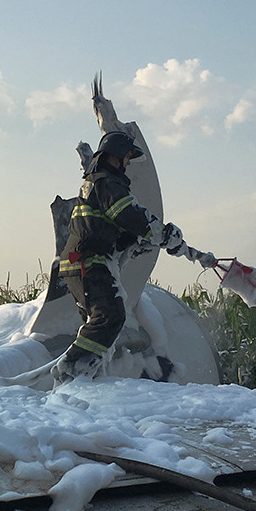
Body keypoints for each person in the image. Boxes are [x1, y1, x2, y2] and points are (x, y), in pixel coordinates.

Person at [53, 131, 184, 384]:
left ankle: (86, 378)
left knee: (97, 322)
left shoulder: (97, 182)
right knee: (110, 316)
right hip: (89, 262)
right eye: (127, 156)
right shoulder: (107, 183)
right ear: (115, 154)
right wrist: (161, 233)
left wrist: (137, 241)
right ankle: (71, 372)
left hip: (81, 262)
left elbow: (106, 227)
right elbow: (130, 215)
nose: (127, 162)